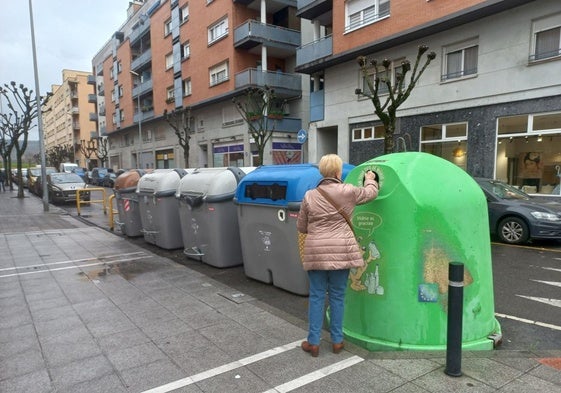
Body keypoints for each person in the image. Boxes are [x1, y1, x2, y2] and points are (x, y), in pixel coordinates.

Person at [297, 154, 379, 357]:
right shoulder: (348, 191)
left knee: (316, 296)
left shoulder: (309, 196)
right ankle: (337, 341)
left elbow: (301, 226)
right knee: (337, 296)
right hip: (342, 251)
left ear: (323, 172)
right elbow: (371, 193)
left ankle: (313, 342)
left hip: (316, 251)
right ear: (337, 172)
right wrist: (370, 177)